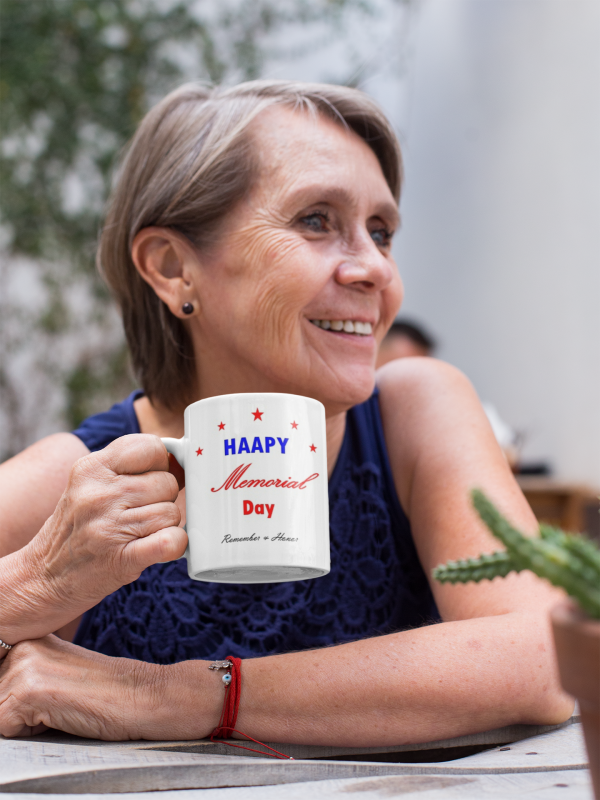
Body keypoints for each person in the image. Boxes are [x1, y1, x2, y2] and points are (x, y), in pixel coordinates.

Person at [0, 81, 571, 743]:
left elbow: (548, 656)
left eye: (381, 233)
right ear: (173, 267)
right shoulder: (80, 479)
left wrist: (174, 696)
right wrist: (33, 586)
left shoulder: (414, 413)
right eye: (316, 220)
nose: (376, 271)